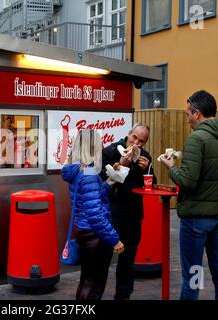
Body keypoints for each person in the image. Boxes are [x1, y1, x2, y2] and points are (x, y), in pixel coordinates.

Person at [160, 90, 218, 300]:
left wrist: (171, 167)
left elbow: (187, 181)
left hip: (196, 218)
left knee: (194, 275)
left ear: (197, 114)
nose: (187, 120)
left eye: (188, 114)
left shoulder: (197, 139)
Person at [61, 129, 124, 300]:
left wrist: (108, 183)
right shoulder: (88, 172)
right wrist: (114, 239)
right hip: (93, 233)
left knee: (86, 280)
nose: (102, 146)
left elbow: (89, 195)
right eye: (99, 143)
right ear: (92, 147)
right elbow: (95, 213)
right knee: (92, 283)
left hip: (83, 229)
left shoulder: (78, 169)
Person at [100, 122, 155, 300]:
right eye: (134, 138)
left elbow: (151, 184)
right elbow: (100, 181)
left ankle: (123, 296)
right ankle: (96, 295)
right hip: (111, 213)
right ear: (128, 134)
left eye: (141, 142)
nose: (136, 144)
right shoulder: (111, 151)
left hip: (133, 214)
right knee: (104, 259)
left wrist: (146, 169)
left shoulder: (144, 157)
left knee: (128, 259)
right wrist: (120, 165)